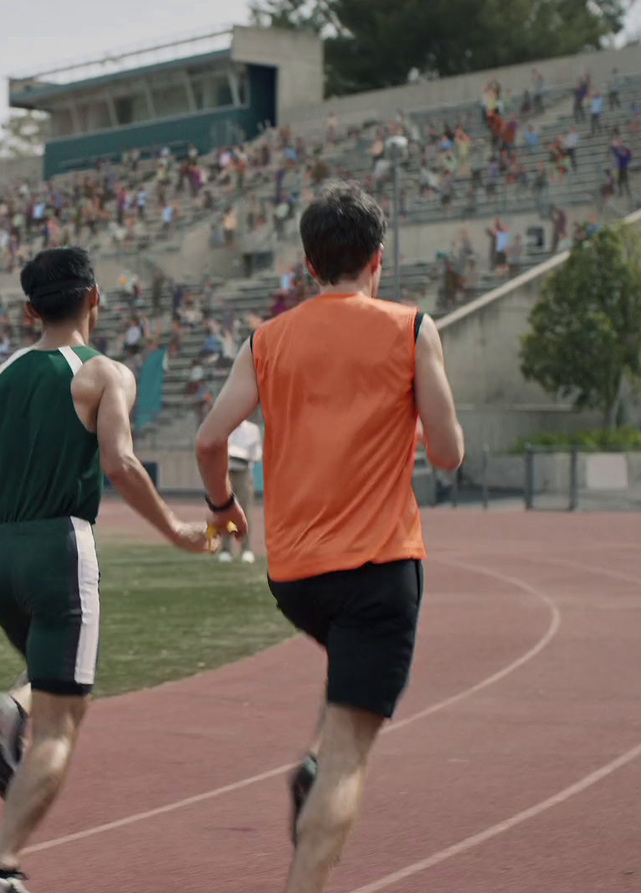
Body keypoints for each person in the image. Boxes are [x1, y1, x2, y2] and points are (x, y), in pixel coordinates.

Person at [194, 181, 465, 893]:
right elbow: (447, 454)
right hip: (378, 567)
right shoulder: (410, 328)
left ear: (309, 265)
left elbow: (209, 437)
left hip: (296, 578)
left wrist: (223, 505)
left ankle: (315, 757)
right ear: (378, 259)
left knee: (343, 682)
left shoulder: (267, 339)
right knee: (352, 755)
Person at [0, 246, 211, 893]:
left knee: (48, 679)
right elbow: (121, 463)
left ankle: (15, 702)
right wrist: (176, 529)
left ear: (29, 310)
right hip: (61, 549)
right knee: (62, 725)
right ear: (96, 299)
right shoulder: (105, 373)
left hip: (0, 556)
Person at [220, 417, 262, 564]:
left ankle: (246, 549)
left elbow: (257, 454)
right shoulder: (225, 426)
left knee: (245, 511)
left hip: (243, 471)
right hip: (226, 471)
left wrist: (241, 453)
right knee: (225, 510)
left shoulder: (252, 430)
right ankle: (226, 550)